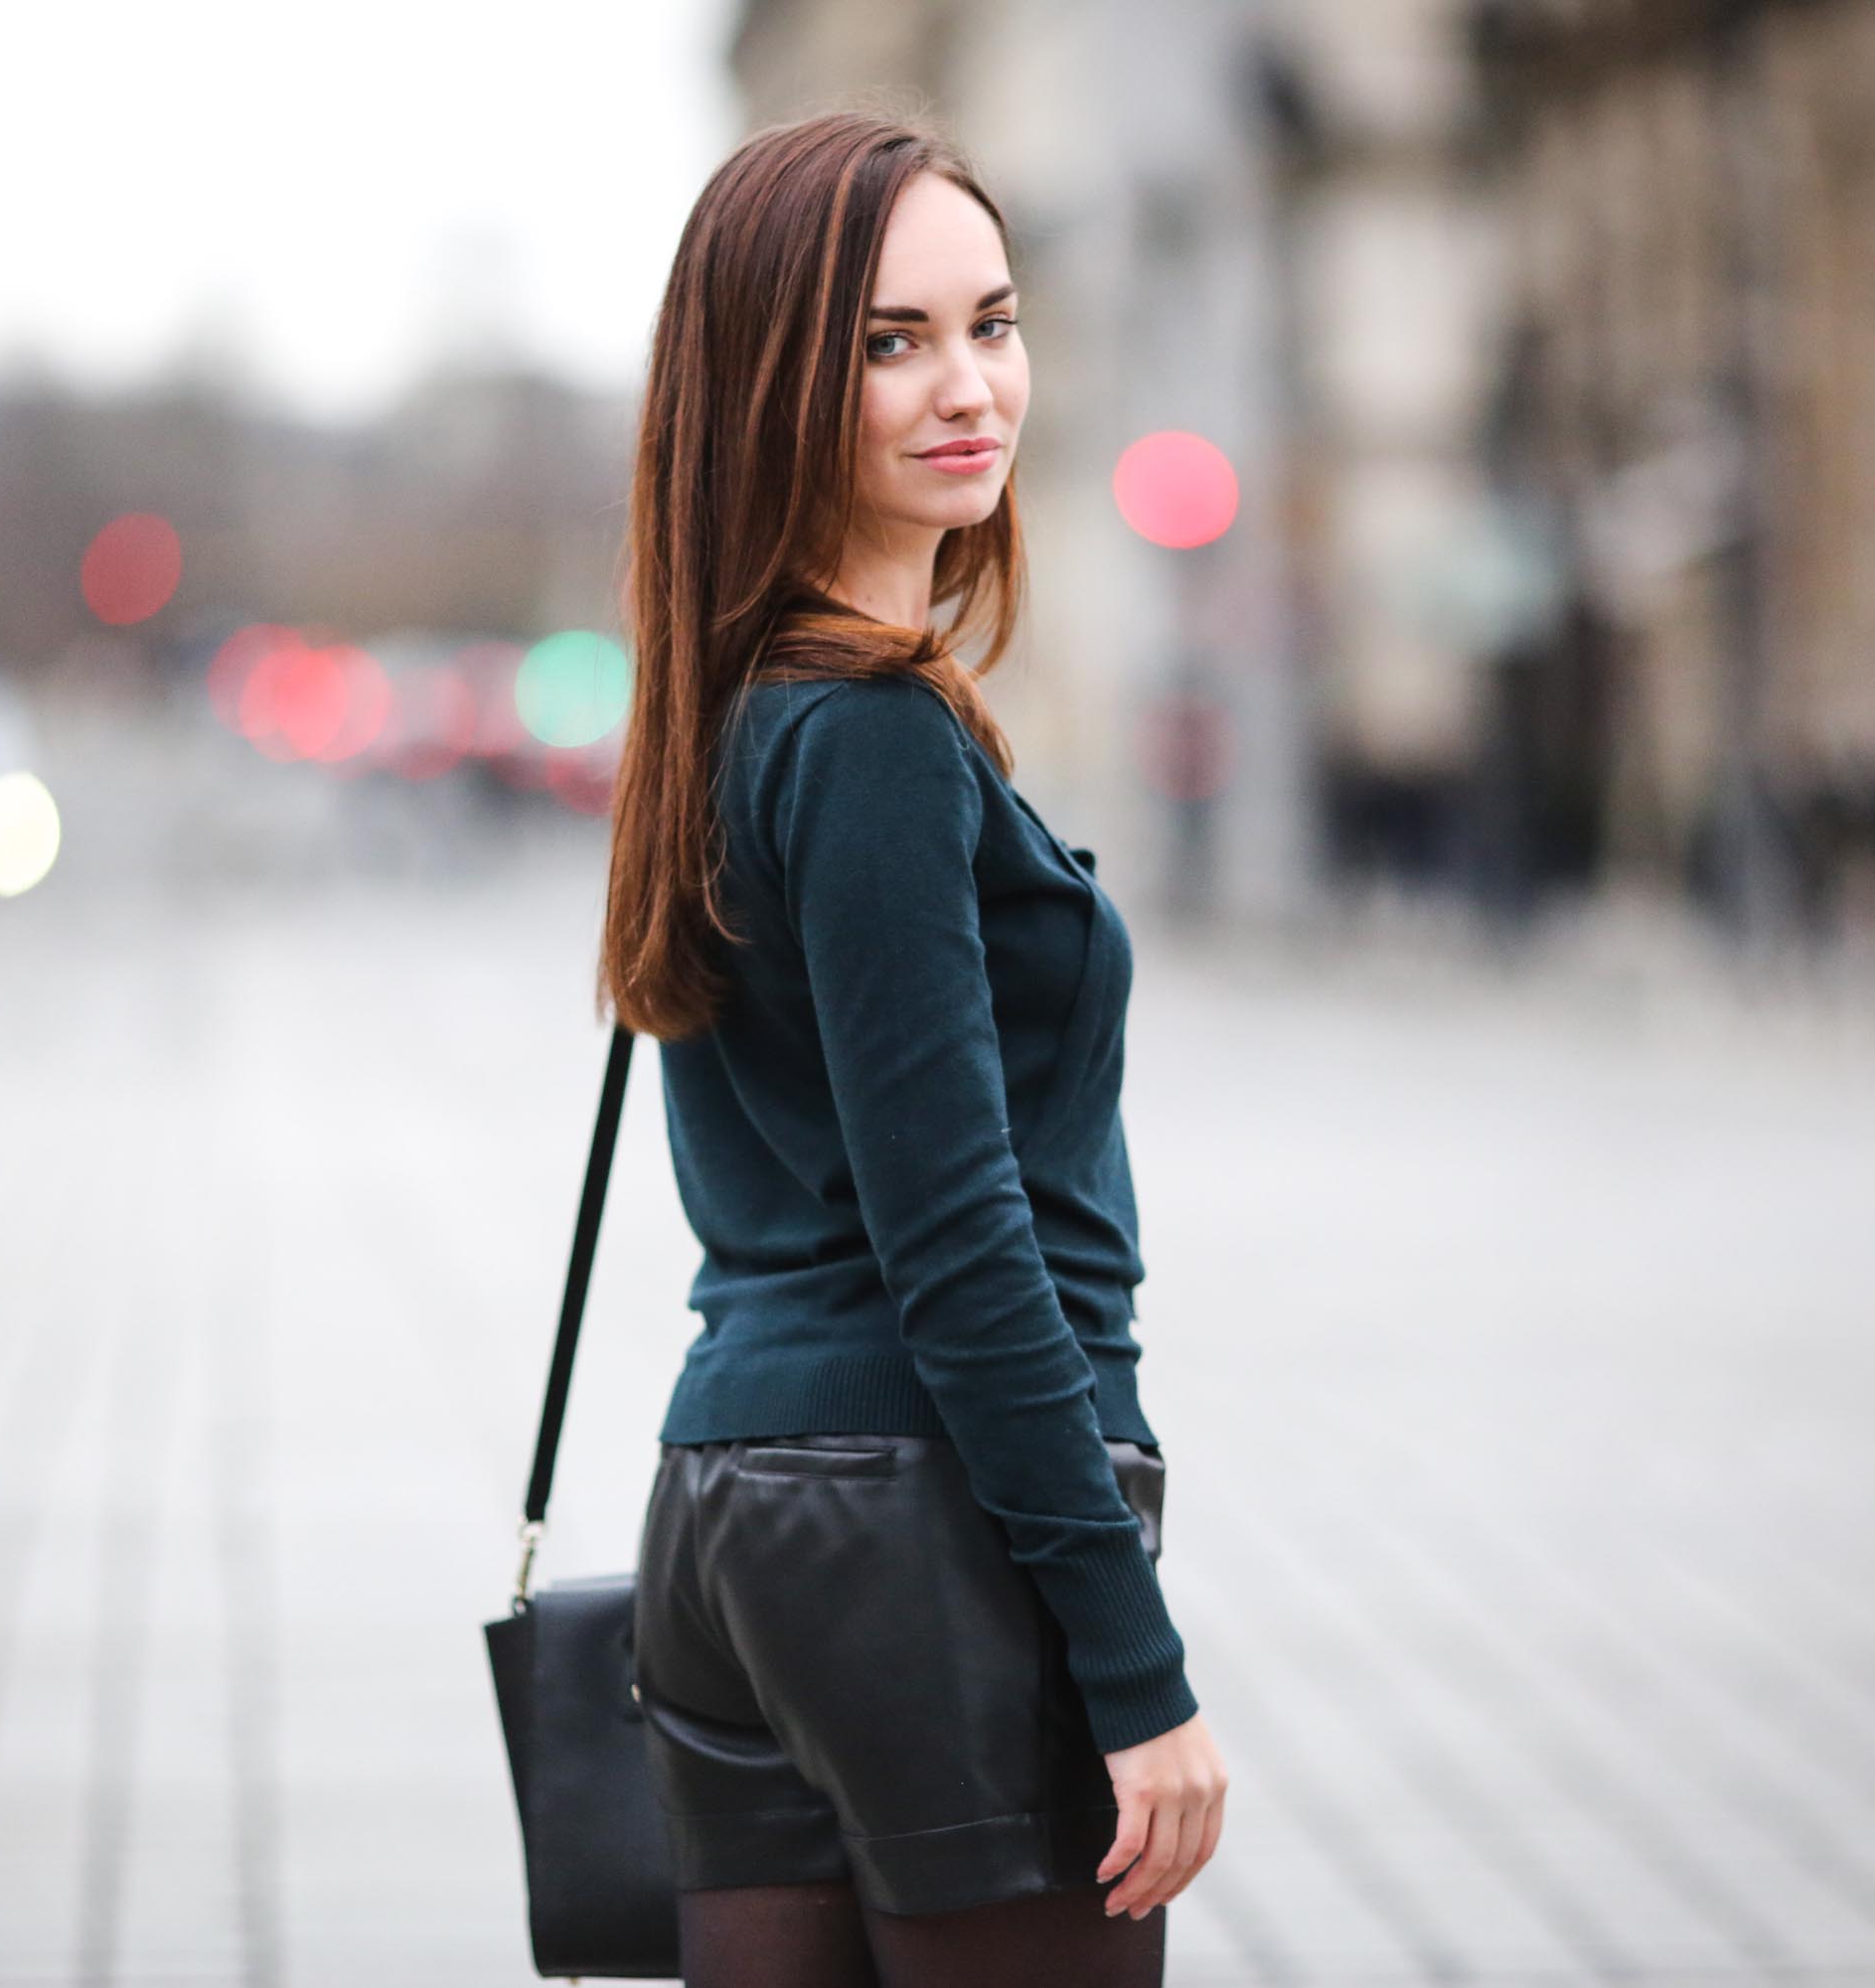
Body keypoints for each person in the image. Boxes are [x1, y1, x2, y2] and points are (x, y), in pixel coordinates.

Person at [595, 109, 1229, 1987]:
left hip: (732, 1517)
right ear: (774, 378)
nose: (969, 386)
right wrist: (1134, 1661)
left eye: (992, 322)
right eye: (890, 341)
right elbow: (959, 1244)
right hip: (915, 1530)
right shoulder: (865, 733)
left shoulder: (729, 708)